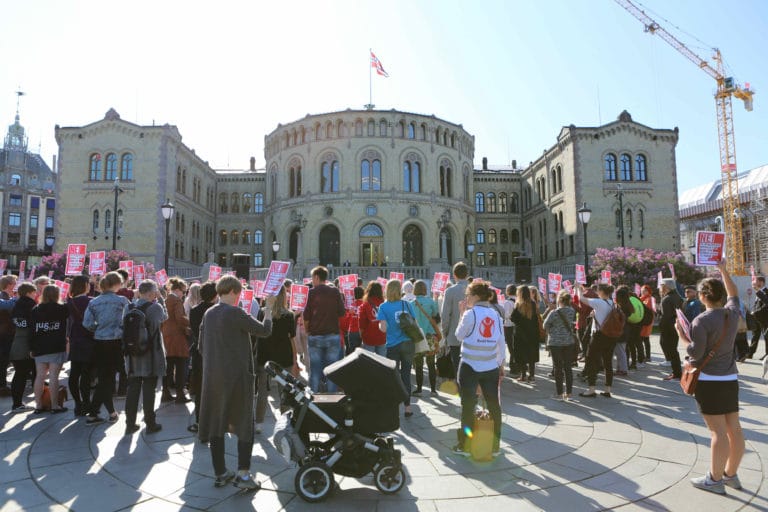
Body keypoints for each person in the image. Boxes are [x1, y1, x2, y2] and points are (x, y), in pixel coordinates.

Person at [676, 260, 744, 495]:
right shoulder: (732, 313)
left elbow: (696, 353)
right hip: (729, 378)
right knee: (734, 429)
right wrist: (724, 270)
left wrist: (682, 336)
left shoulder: (701, 320)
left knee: (717, 432)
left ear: (704, 296)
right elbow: (733, 293)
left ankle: (714, 479)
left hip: (709, 381)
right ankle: (731, 474)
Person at [198, 275, 272, 490]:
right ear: (231, 292)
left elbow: (201, 347)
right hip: (238, 377)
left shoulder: (209, 313)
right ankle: (244, 474)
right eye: (239, 293)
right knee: (244, 423)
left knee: (216, 423)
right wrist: (268, 311)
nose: (240, 297)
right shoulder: (235, 312)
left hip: (213, 377)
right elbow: (264, 331)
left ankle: (220, 472)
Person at [452, 280, 505, 456]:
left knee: (468, 405)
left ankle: (464, 444)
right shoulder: (496, 315)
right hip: (490, 366)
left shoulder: (470, 314)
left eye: (467, 295)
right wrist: (501, 364)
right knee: (493, 405)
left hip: (469, 365)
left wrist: (461, 314)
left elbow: (459, 336)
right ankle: (495, 445)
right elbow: (501, 343)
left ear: (475, 296)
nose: (466, 298)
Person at [83, 271, 131, 424]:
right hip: (116, 341)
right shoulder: (122, 301)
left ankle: (104, 412)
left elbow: (87, 323)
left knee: (105, 378)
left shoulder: (94, 302)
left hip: (99, 341)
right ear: (116, 284)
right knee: (107, 379)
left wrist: (99, 328)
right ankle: (98, 412)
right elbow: (129, 320)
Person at [123, 280, 167, 435]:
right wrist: (161, 299)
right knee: (149, 389)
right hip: (151, 354)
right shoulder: (155, 307)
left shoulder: (128, 307)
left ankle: (129, 423)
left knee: (133, 388)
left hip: (132, 356)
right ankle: (150, 422)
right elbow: (163, 319)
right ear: (151, 293)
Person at [255, 284, 297, 434]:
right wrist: (295, 359)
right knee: (284, 392)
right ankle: (285, 424)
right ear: (284, 296)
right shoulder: (289, 315)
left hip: (264, 355)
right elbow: (292, 338)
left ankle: (258, 423)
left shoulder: (262, 312)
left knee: (262, 391)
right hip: (283, 356)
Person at [302, 266, 345, 393]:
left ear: (316, 277)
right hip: (332, 335)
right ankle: (331, 398)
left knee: (315, 370)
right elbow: (342, 313)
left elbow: (306, 317)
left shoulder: (311, 293)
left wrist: (307, 330)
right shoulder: (335, 292)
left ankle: (313, 399)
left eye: (312, 278)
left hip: (315, 335)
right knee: (332, 370)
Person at [377, 279, 416, 417]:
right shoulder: (406, 304)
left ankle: (393, 406)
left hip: (392, 344)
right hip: (408, 343)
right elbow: (414, 322)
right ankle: (408, 407)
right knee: (406, 375)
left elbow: (383, 329)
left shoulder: (383, 307)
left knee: (393, 376)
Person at [30, 285, 69, 414]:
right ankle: (54, 406)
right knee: (54, 376)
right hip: (56, 346)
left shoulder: (35, 309)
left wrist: (31, 347)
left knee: (40, 376)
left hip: (39, 346)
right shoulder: (62, 309)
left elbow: (31, 330)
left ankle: (38, 405)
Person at [577, 283, 619, 398]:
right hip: (610, 336)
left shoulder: (599, 302)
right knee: (608, 362)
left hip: (599, 336)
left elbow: (581, 299)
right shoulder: (612, 303)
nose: (596, 292)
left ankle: (591, 389)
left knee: (590, 361)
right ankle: (607, 390)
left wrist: (578, 289)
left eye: (598, 290)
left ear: (601, 292)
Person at [187, 281, 217, 434]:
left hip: (199, 351)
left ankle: (200, 421)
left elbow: (194, 330)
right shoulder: (217, 311)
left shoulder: (194, 310)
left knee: (200, 389)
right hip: (216, 354)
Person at [66, 275, 95, 417]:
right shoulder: (91, 301)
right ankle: (86, 403)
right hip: (89, 338)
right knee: (86, 374)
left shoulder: (69, 303)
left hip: (75, 339)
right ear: (85, 285)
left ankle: (78, 403)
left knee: (74, 372)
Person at [161, 277, 191, 403]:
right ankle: (180, 394)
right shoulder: (177, 300)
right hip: (177, 337)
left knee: (167, 367)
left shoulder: (166, 299)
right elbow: (180, 318)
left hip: (166, 335)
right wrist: (191, 323)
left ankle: (165, 393)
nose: (184, 295)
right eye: (183, 292)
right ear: (178, 290)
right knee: (181, 366)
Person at [543, 290, 577, 400]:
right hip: (568, 341)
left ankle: (559, 394)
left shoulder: (555, 312)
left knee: (558, 368)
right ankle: (569, 394)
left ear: (560, 300)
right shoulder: (572, 311)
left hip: (555, 342)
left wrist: (552, 330)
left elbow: (545, 325)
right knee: (568, 367)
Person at [9, 283, 36, 412]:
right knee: (27, 374)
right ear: (29, 293)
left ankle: (17, 403)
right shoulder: (32, 306)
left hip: (16, 343)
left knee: (19, 374)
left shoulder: (15, 306)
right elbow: (33, 328)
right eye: (34, 292)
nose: (35, 295)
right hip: (27, 345)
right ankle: (21, 404)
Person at [411, 280, 440, 396]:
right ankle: (433, 389)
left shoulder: (411, 303)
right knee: (431, 363)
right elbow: (436, 316)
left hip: (418, 336)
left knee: (418, 364)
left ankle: (419, 389)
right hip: (430, 335)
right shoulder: (431, 301)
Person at [441, 262, 469, 375]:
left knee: (458, 368)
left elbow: (445, 316)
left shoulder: (450, 291)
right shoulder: (475, 290)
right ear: (467, 274)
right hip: (473, 336)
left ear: (454, 275)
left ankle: (462, 390)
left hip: (454, 336)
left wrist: (445, 334)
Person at [511, 286, 540, 382]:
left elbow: (513, 318)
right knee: (531, 355)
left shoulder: (518, 304)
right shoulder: (533, 303)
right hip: (532, 333)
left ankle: (523, 375)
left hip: (520, 334)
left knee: (521, 355)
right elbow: (536, 319)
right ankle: (532, 376)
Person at [659, 278, 683, 381]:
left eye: (662, 285)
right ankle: (677, 372)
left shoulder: (667, 298)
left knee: (671, 350)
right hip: (675, 325)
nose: (660, 288)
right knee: (673, 350)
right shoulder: (677, 296)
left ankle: (677, 373)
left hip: (668, 327)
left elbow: (666, 316)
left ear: (666, 286)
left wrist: (661, 327)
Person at [359, 281, 386, 356]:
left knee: (369, 362)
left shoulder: (365, 305)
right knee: (383, 362)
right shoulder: (385, 304)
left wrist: (360, 335)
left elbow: (361, 323)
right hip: (382, 337)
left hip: (368, 337)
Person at [748, 276, 767, 360]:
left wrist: (756, 312)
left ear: (761, 282)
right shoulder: (758, 292)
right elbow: (756, 305)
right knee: (755, 336)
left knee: (766, 337)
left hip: (764, 319)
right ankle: (750, 353)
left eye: (756, 281)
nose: (754, 283)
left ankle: (767, 354)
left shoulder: (766, 291)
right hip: (757, 319)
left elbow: (766, 305)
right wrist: (753, 311)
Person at [340, 286, 363, 356]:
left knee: (352, 353)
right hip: (362, 330)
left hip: (352, 330)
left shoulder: (350, 305)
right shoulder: (364, 304)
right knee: (362, 352)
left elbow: (347, 318)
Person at [638, 285, 655, 367]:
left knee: (644, 338)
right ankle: (646, 356)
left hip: (646, 321)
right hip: (643, 321)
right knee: (644, 339)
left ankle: (646, 357)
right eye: (642, 290)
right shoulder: (642, 298)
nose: (643, 291)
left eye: (645, 290)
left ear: (648, 291)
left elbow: (647, 309)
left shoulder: (649, 299)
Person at [502, 284, 516, 373]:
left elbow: (506, 315)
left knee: (511, 347)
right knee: (515, 346)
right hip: (517, 326)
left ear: (508, 292)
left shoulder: (507, 302)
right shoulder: (518, 300)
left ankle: (513, 366)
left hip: (509, 326)